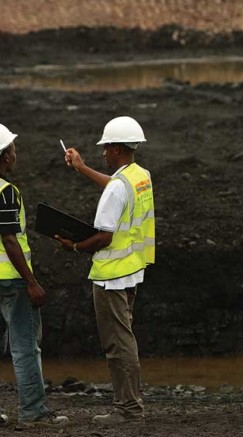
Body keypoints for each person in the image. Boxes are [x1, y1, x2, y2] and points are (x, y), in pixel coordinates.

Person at [0, 120, 68, 430]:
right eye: (13, 148)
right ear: (6, 155)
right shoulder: (6, 192)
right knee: (24, 347)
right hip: (10, 280)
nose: (15, 153)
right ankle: (33, 412)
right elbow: (9, 239)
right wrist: (32, 282)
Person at [55, 116, 155, 425]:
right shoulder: (140, 176)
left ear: (116, 149)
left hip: (111, 275)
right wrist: (82, 167)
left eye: (105, 148)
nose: (103, 153)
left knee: (118, 344)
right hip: (132, 270)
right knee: (124, 338)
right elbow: (116, 187)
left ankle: (128, 409)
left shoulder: (117, 188)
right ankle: (131, 404)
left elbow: (104, 236)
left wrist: (74, 246)